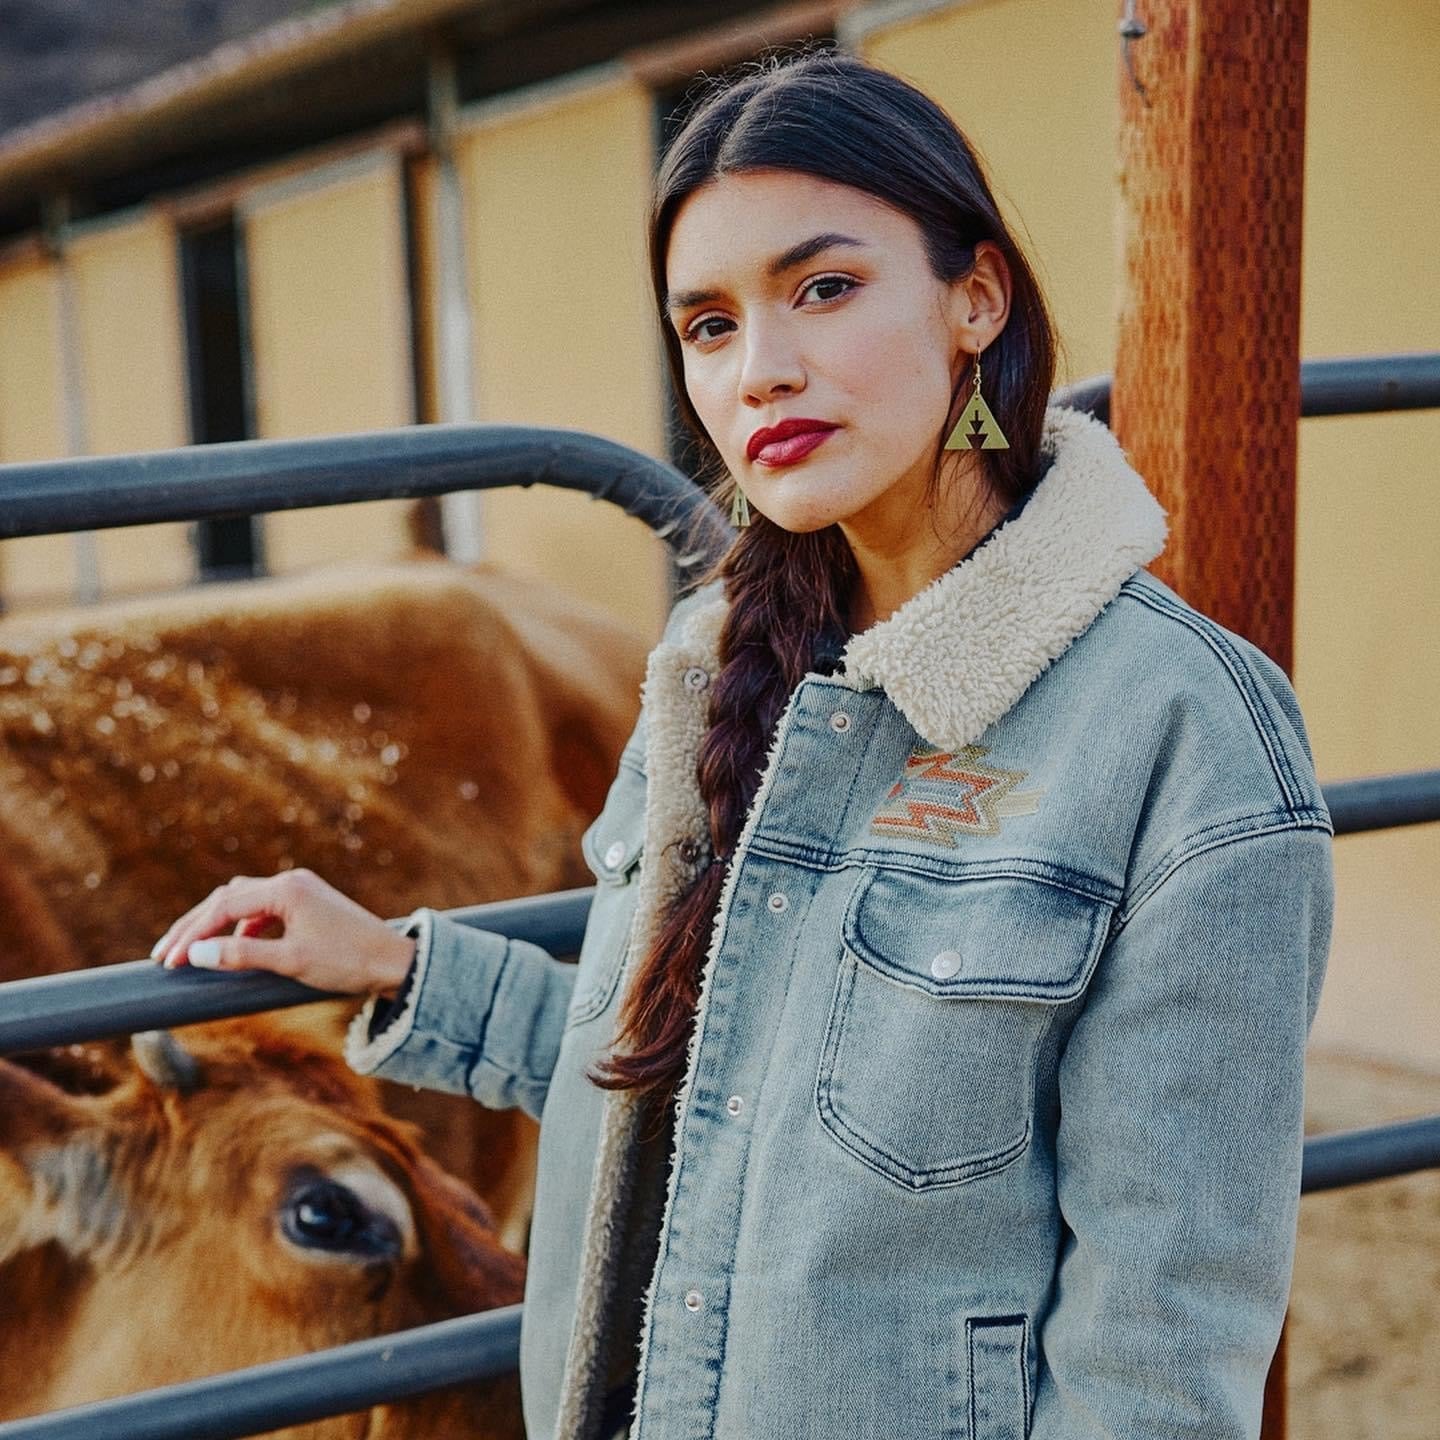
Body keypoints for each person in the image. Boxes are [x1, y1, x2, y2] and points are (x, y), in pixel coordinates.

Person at [152, 45, 1334, 1440]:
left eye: (823, 289)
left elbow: (1162, 1348)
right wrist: (406, 968)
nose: (761, 369)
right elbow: (681, 1088)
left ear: (976, 297)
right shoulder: (716, 671)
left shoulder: (1182, 737)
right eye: (708, 326)